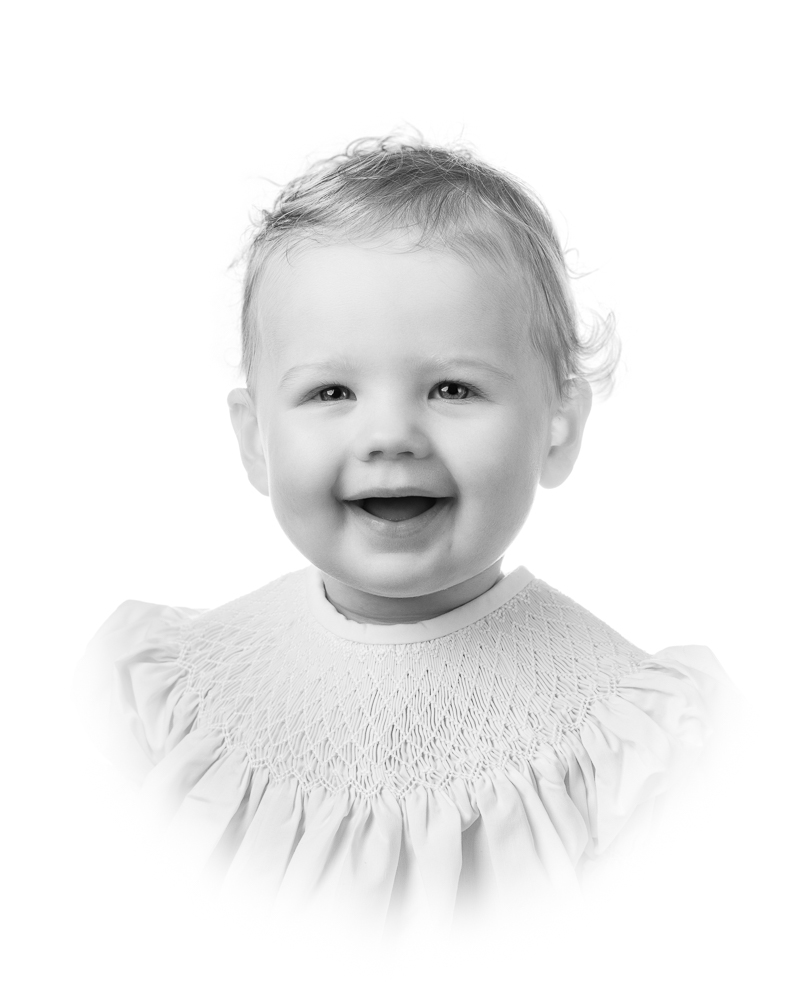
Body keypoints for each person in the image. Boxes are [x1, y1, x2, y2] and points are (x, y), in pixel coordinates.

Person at [75, 135, 726, 936]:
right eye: (331, 390)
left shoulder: (637, 748)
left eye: (452, 387)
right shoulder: (160, 701)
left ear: (556, 427)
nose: (390, 434)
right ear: (255, 440)